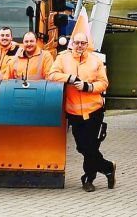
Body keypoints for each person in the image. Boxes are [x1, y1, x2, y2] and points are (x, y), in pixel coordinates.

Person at [49, 31, 115, 192]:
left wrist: (88, 87)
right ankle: (107, 167)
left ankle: (88, 179)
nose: (79, 46)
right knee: (83, 147)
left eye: (82, 43)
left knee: (90, 145)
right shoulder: (62, 58)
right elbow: (51, 75)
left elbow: (104, 83)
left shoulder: (95, 61)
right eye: (77, 43)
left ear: (87, 44)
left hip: (94, 110)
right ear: (71, 43)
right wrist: (69, 78)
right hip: (74, 112)